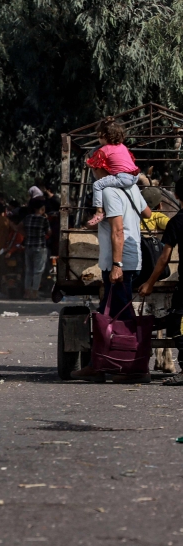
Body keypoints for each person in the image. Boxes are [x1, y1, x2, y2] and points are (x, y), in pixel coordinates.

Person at [73, 166, 150, 382]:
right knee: (108, 314)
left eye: (94, 170)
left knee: (120, 317)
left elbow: (118, 230)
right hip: (132, 260)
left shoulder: (108, 192)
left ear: (101, 170)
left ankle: (135, 368)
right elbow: (148, 213)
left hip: (119, 263)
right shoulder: (133, 187)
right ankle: (98, 364)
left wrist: (116, 265)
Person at [139, 180, 183, 385]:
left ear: (177, 196)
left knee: (176, 326)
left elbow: (164, 258)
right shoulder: (167, 220)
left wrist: (149, 283)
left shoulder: (178, 222)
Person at [85, 118, 139, 227]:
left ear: (103, 136)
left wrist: (87, 161)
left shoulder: (104, 150)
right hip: (135, 176)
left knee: (97, 185)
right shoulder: (123, 147)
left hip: (123, 177)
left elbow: (94, 163)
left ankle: (99, 212)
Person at [21, 198, 50, 299]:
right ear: (42, 208)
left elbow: (19, 227)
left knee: (29, 270)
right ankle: (35, 293)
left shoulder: (27, 218)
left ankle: (27, 293)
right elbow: (49, 233)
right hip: (40, 246)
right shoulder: (44, 219)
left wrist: (26, 235)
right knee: (38, 271)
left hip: (28, 246)